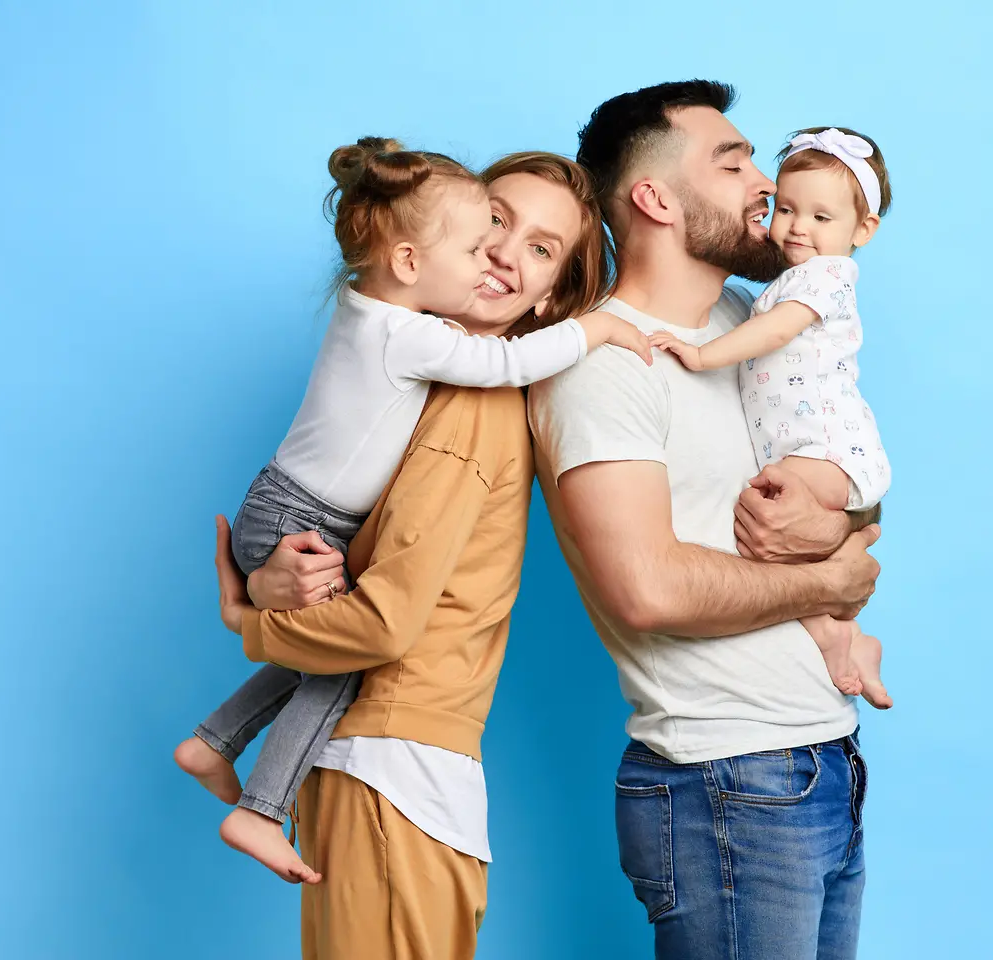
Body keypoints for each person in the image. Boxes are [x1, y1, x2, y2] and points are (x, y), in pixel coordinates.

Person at [208, 152, 663, 959]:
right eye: (494, 220)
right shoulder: (419, 390)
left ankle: (219, 756)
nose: (501, 250)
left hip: (396, 769)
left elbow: (378, 621)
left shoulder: (467, 404)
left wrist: (250, 621)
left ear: (551, 297)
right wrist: (273, 582)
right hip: (390, 766)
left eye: (541, 248)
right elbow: (345, 569)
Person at [527, 81, 883, 960]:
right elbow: (645, 591)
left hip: (818, 760)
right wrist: (830, 579)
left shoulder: (750, 322)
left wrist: (852, 518)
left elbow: (839, 469)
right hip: (725, 781)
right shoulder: (603, 365)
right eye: (732, 163)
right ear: (654, 199)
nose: (764, 182)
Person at [644, 125, 895, 707]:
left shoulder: (826, 277)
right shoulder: (783, 282)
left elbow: (778, 331)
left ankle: (840, 628)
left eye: (822, 218)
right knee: (770, 551)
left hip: (826, 446)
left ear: (863, 230)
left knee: (763, 524)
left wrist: (703, 354)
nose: (797, 227)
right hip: (800, 445)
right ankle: (842, 637)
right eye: (786, 209)